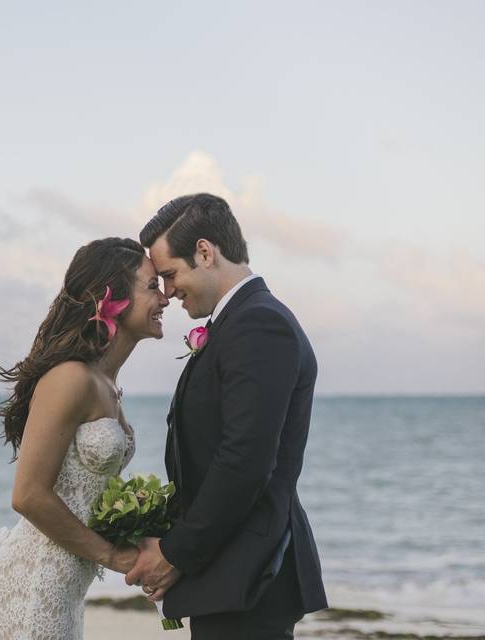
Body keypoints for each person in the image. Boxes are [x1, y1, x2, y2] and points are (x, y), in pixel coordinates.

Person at [127, 193, 328, 639]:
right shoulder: (240, 322)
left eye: (170, 275)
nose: (168, 291)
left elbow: (245, 459)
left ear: (205, 252)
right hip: (232, 572)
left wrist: (174, 554)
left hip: (251, 578)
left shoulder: (259, 325)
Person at [0, 237, 169, 640]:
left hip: (63, 590)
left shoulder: (107, 383)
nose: (165, 298)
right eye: (152, 286)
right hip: (31, 586)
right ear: (111, 297)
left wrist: (142, 538)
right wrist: (113, 556)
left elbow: (82, 496)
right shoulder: (71, 378)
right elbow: (28, 495)